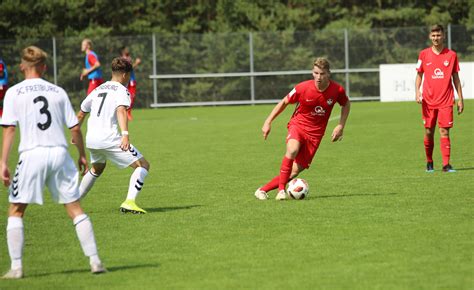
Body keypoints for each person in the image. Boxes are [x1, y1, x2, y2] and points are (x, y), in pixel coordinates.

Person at [0, 46, 106, 279]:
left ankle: (16, 267)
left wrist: (3, 162)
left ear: (22, 66)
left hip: (31, 154)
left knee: (16, 211)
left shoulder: (14, 93)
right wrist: (81, 155)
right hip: (59, 154)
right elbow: (75, 127)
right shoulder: (57, 91)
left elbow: (9, 129)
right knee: (75, 209)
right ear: (44, 67)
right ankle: (95, 261)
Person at [255, 58, 351, 200]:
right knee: (292, 150)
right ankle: (281, 191)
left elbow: (346, 104)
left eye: (322, 74)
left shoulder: (337, 90)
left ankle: (262, 190)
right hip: (298, 125)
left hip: (315, 135)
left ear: (328, 74)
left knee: (294, 172)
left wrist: (341, 125)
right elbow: (284, 102)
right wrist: (268, 121)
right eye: (316, 73)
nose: (318, 77)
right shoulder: (302, 88)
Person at [77, 57, 150, 214]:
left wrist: (76, 132)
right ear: (124, 75)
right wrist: (125, 135)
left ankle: (74, 201)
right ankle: (130, 202)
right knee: (142, 165)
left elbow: (81, 113)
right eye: (129, 75)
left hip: (91, 139)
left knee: (97, 168)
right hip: (109, 138)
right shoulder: (122, 90)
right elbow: (121, 110)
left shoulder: (98, 89)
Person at [415, 24, 465, 173]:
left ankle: (446, 165)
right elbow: (419, 75)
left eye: (438, 35)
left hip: (446, 100)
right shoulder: (423, 54)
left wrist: (461, 98)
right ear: (430, 37)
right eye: (433, 35)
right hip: (428, 102)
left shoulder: (452, 55)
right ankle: (429, 162)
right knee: (429, 132)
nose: (436, 38)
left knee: (444, 131)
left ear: (443, 36)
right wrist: (417, 91)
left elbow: (456, 78)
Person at [120, 46, 141, 120]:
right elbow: (128, 68)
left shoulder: (129, 58)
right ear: (123, 51)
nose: (127, 50)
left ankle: (128, 112)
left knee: (132, 96)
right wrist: (136, 63)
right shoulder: (122, 60)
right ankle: (126, 112)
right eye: (126, 49)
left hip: (131, 79)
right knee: (126, 96)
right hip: (126, 80)